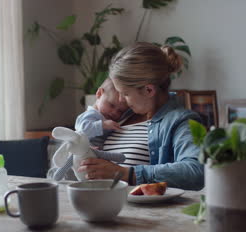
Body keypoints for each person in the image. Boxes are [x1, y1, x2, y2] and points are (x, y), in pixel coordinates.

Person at [78, 42, 204, 191]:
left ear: (149, 90)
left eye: (125, 94)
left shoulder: (181, 121)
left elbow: (196, 172)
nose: (120, 101)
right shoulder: (121, 116)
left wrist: (126, 174)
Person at [75, 78, 129, 148]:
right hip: (81, 150)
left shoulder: (104, 117)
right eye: (111, 105)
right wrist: (103, 125)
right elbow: (82, 129)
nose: (114, 112)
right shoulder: (91, 114)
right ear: (99, 93)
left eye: (120, 111)